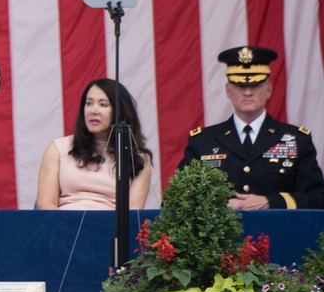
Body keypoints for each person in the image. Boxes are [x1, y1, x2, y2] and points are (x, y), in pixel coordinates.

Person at [180, 46, 324, 209]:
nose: (248, 92)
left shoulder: (296, 140)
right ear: (228, 91)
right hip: (222, 234)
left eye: (255, 86)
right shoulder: (203, 141)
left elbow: (317, 198)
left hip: (278, 232)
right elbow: (178, 198)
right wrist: (219, 204)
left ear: (268, 90)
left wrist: (270, 202)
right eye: (240, 86)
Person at [36, 79, 153, 210]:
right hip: (62, 226)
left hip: (109, 228)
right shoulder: (58, 148)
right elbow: (45, 205)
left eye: (103, 105)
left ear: (120, 111)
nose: (93, 110)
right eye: (89, 103)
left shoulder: (138, 158)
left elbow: (132, 214)